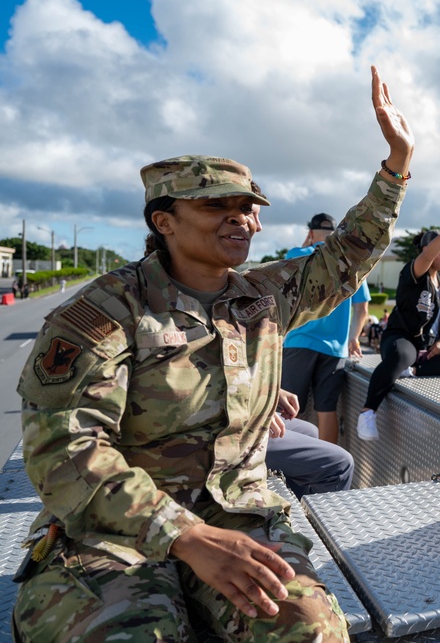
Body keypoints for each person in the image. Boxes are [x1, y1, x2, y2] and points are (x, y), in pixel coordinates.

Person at [13, 65, 413, 642]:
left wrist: (396, 165)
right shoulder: (103, 312)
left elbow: (348, 253)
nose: (241, 217)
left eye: (249, 206)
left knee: (313, 632)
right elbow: (65, 450)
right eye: (215, 205)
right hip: (113, 532)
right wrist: (186, 538)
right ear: (164, 221)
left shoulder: (265, 296)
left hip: (238, 514)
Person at [355, 200, 440, 441]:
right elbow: (428, 256)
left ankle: (411, 370)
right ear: (427, 250)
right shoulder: (414, 272)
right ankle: (367, 413)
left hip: (428, 346)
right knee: (401, 355)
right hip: (401, 338)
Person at [281, 211, 370, 444]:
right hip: (335, 350)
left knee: (289, 408)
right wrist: (353, 338)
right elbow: (362, 310)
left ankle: (287, 463)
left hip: (299, 342)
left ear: (311, 233)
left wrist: (307, 244)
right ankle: (324, 466)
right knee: (327, 410)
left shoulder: (297, 255)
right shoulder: (352, 263)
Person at [267, 388, 354, 498]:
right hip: (242, 430)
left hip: (249, 410)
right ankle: (325, 515)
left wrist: (270, 391)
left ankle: (296, 506)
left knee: (310, 431)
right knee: (340, 464)